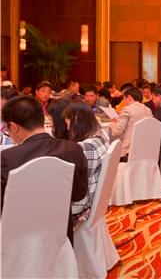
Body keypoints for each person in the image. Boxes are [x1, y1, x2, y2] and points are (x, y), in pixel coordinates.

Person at [0, 96, 88, 242]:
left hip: (17, 239)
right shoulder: (73, 150)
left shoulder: (8, 158)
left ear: (14, 127)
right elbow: (79, 195)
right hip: (61, 235)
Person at [62, 102, 109, 219]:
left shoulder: (87, 147)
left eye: (68, 124)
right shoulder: (101, 135)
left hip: (83, 203)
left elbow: (80, 182)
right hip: (95, 196)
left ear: (76, 121)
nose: (67, 128)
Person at [109, 87, 152, 159]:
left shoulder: (127, 110)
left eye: (124, 99)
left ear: (129, 98)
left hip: (128, 151)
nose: (124, 101)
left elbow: (116, 131)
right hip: (145, 150)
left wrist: (113, 125)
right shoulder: (148, 110)